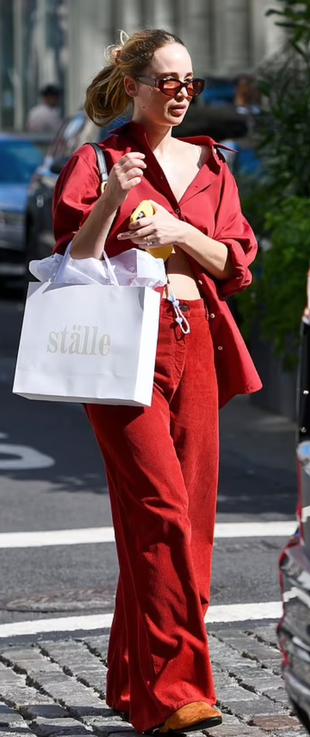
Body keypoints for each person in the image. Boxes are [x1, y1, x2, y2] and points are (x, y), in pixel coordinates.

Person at [52, 28, 262, 735]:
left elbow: (235, 262)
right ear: (134, 85)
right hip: (120, 345)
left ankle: (126, 675)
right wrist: (112, 199)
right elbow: (71, 257)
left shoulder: (212, 165)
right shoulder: (100, 160)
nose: (181, 94)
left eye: (190, 83)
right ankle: (174, 691)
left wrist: (176, 229)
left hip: (194, 339)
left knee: (189, 523)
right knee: (161, 511)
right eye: (168, 81)